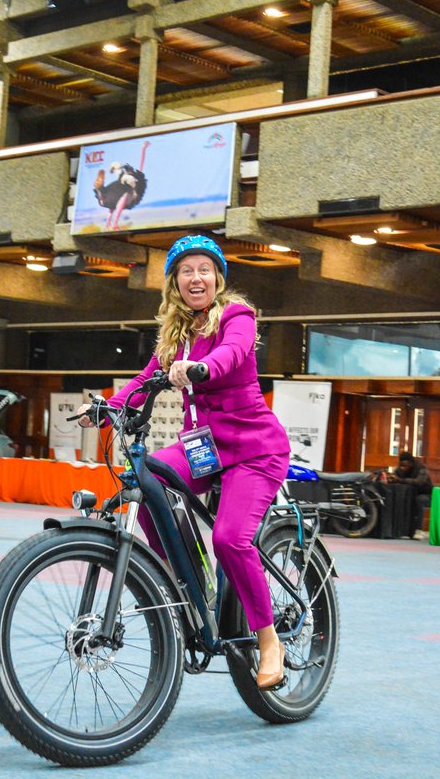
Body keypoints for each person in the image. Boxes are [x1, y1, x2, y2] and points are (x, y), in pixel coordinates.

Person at [76, 234, 291, 691]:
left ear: (218, 278)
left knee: (230, 538)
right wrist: (106, 407)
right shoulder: (176, 335)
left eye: (205, 269)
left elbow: (232, 353)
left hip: (253, 449)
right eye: (187, 270)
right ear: (175, 282)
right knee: (145, 473)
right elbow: (145, 379)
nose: (197, 278)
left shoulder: (237, 316)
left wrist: (202, 368)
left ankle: (269, 640)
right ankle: (184, 574)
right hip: (205, 448)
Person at [386, 452, 434, 538]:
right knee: (403, 500)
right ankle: (404, 531)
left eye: (405, 466)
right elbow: (396, 478)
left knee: (419, 500)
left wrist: (400, 480)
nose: (402, 468)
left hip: (426, 494)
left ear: (411, 464)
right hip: (411, 495)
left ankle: (419, 530)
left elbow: (419, 482)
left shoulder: (421, 468)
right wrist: (391, 479)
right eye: (401, 465)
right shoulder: (399, 470)